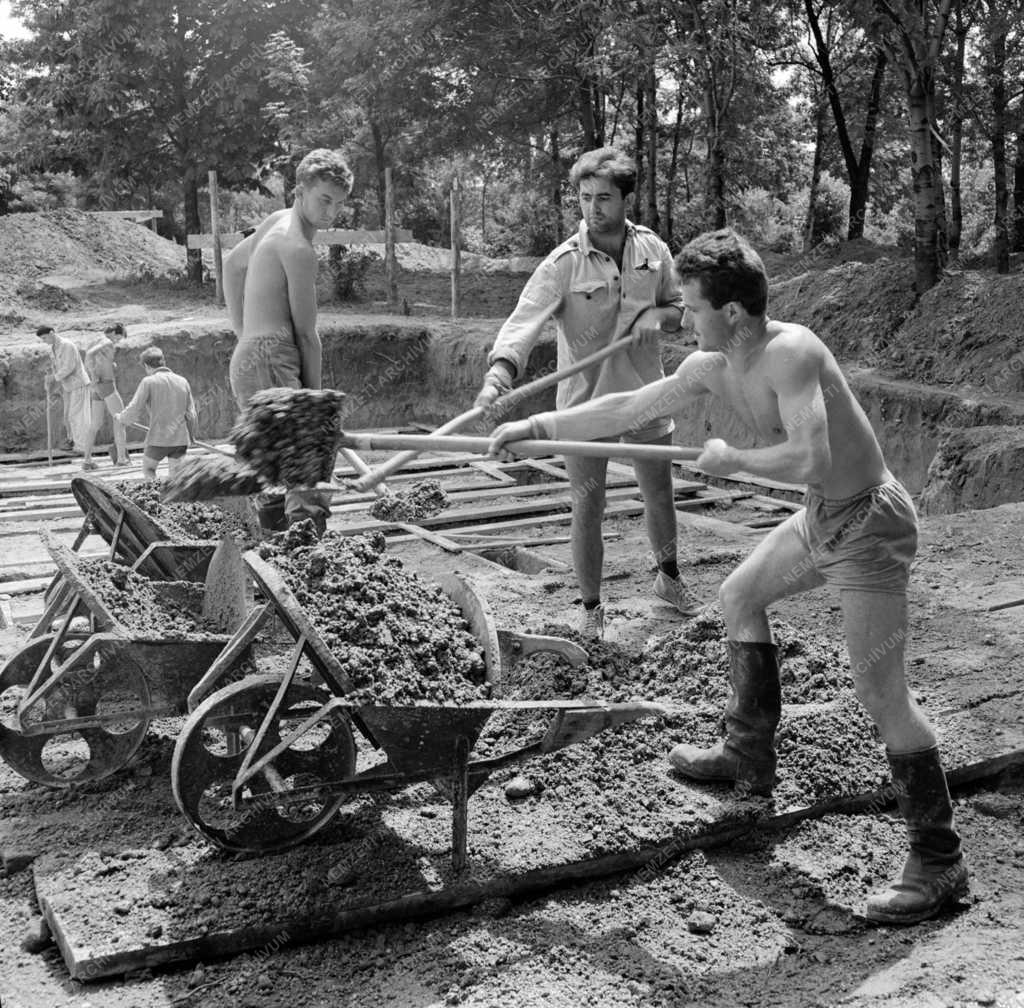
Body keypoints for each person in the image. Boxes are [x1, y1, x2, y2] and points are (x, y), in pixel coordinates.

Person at [490, 228, 968, 925]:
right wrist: (539, 425)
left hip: (867, 527)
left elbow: (810, 455)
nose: (681, 319)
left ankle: (938, 860)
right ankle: (748, 755)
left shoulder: (792, 353)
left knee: (879, 691)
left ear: (733, 313)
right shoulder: (715, 363)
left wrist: (735, 462)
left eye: (690, 307)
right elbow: (632, 407)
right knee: (739, 595)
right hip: (821, 518)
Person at [474, 147, 700, 640]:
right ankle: (593, 607)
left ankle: (668, 578)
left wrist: (653, 317)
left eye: (603, 198)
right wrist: (499, 375)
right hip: (584, 407)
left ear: (625, 199)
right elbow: (524, 321)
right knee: (588, 506)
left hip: (646, 397)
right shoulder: (564, 264)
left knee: (659, 494)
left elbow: (681, 308)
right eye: (584, 197)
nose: (593, 208)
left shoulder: (652, 251)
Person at [223, 148, 353, 534]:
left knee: (275, 469)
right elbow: (305, 335)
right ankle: (305, 554)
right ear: (300, 191)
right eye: (324, 200)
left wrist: (243, 333)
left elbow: (232, 264)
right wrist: (317, 404)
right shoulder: (299, 250)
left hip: (248, 361)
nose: (330, 212)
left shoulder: (276, 220)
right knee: (310, 464)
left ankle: (278, 550)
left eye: (338, 204)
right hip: (274, 359)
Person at [116, 347, 197, 481]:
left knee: (149, 469)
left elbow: (134, 407)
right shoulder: (182, 381)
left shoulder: (149, 382)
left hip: (158, 439)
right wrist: (192, 436)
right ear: (163, 361)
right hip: (180, 440)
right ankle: (175, 499)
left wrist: (122, 419)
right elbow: (191, 414)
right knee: (176, 477)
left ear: (147, 366)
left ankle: (154, 497)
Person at [37, 324, 91, 457]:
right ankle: (72, 441)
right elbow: (57, 367)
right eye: (42, 339)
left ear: (52, 333)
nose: (44, 341)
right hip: (67, 386)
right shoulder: (54, 348)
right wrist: (50, 376)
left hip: (78, 384)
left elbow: (69, 367)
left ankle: (82, 447)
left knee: (77, 416)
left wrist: (53, 378)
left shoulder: (67, 345)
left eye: (45, 338)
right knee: (67, 416)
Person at [82, 322, 130, 469]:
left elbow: (95, 357)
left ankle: (87, 461)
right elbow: (89, 355)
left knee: (95, 424)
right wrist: (93, 375)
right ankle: (122, 458)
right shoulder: (107, 341)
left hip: (97, 388)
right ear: (116, 333)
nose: (117, 342)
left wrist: (96, 375)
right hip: (106, 385)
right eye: (119, 338)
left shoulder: (96, 340)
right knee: (120, 420)